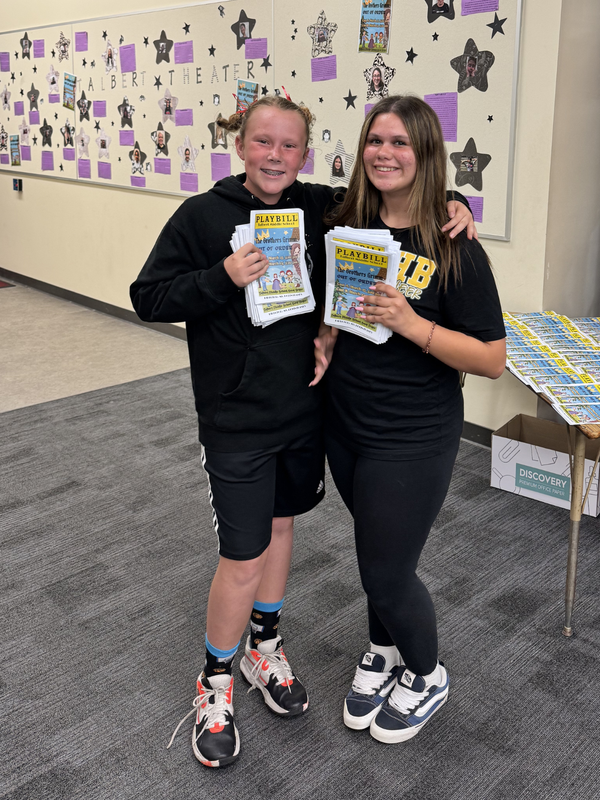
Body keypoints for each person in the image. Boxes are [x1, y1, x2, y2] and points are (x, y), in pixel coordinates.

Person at [130, 95, 475, 769]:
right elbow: (150, 296)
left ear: (305, 156)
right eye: (264, 143)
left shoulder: (320, 206)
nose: (275, 156)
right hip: (234, 420)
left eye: (290, 147)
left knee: (283, 529)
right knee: (242, 555)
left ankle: (264, 646)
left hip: (303, 416)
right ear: (242, 146)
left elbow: (390, 190)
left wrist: (456, 198)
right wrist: (219, 278)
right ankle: (215, 681)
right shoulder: (202, 216)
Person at [319, 95, 505, 745]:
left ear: (426, 153)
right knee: (378, 549)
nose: (385, 153)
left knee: (386, 572)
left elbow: (490, 359)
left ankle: (426, 673)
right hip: (344, 425)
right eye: (375, 140)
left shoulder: (455, 245)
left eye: (401, 143)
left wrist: (412, 324)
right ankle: (384, 649)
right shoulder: (345, 221)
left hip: (414, 435)